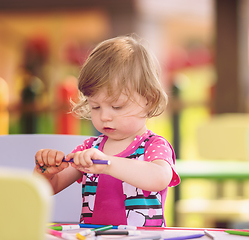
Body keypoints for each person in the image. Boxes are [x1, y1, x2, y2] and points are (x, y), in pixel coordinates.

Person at [34, 35, 181, 227]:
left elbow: (159, 178)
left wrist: (108, 164)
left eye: (117, 107)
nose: (104, 116)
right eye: (96, 107)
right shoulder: (90, 148)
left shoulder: (153, 145)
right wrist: (45, 172)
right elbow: (50, 187)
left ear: (149, 100)